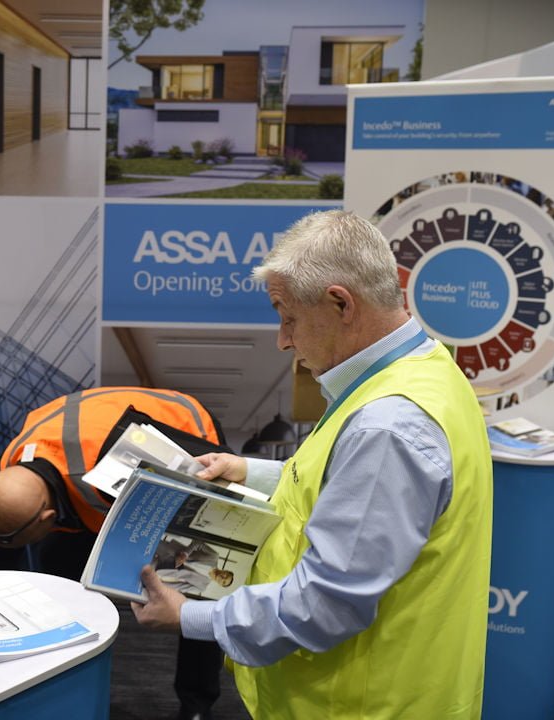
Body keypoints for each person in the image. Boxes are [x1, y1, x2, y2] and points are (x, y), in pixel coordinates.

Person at [132, 210, 493, 719]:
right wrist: (250, 471)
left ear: (341, 303)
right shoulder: (422, 370)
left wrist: (191, 616)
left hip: (360, 705)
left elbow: (326, 603)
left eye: (288, 317)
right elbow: (355, 490)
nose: (283, 339)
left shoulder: (386, 425)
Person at [0, 387, 230, 720]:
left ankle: (197, 705)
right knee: (59, 571)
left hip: (184, 432)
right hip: (90, 449)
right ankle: (61, 683)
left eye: (13, 540)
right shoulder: (7, 474)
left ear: (49, 518)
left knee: (195, 588)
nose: (4, 544)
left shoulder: (116, 470)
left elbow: (204, 512)